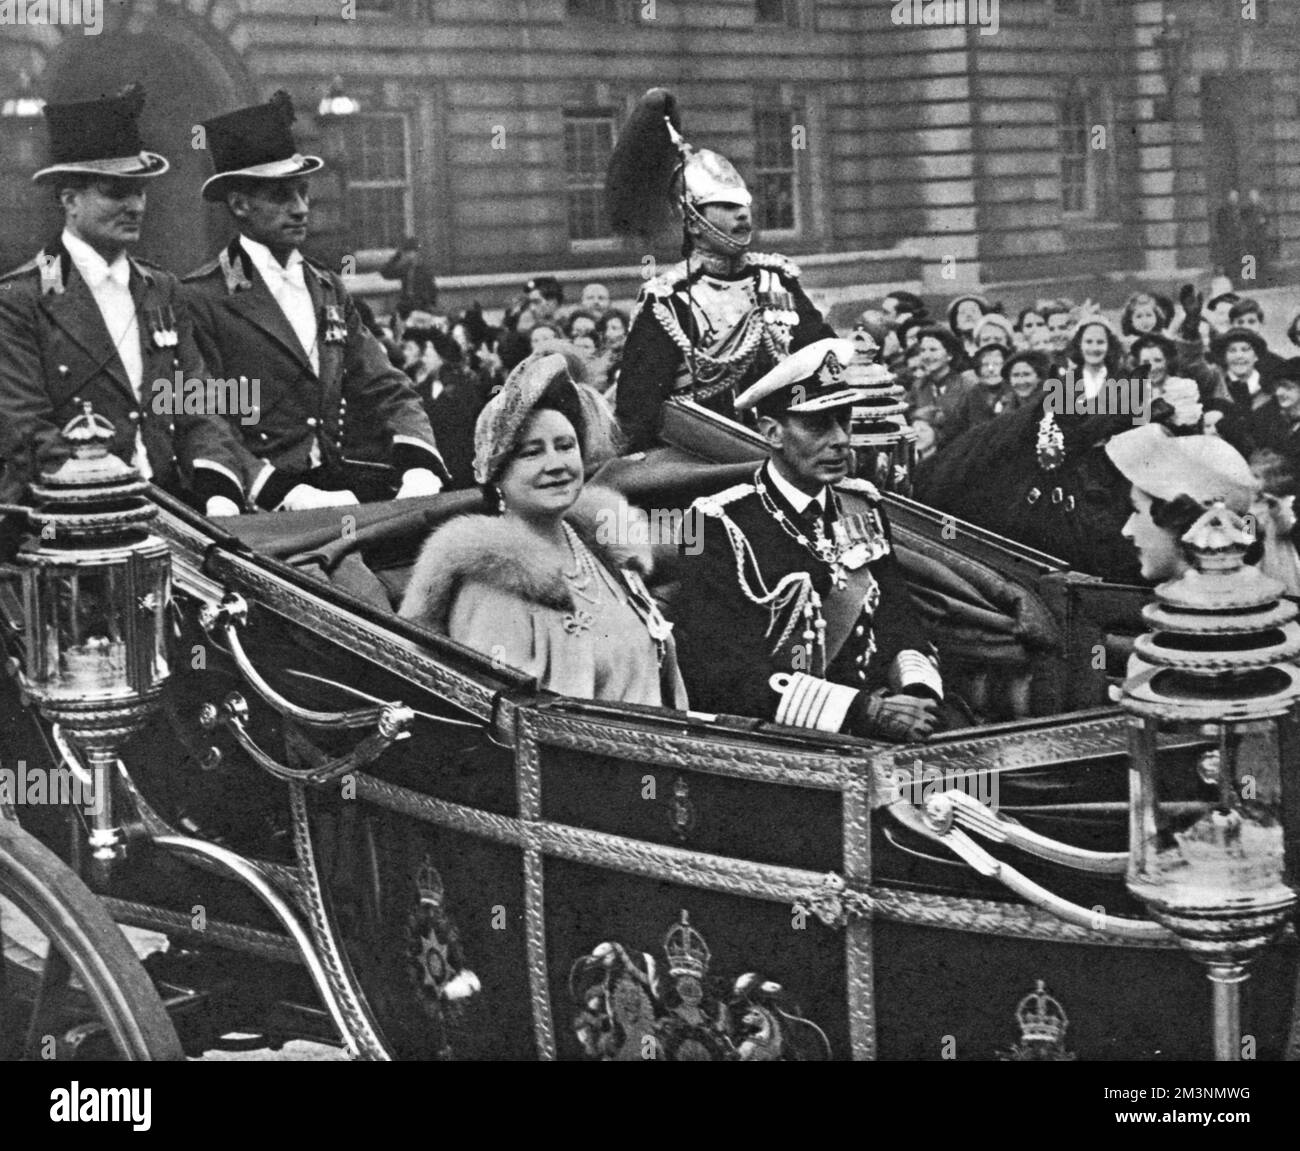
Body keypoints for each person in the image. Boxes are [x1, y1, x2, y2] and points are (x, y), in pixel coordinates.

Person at [181, 92, 447, 510]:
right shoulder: (203, 297)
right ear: (239, 204)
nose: (301, 209)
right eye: (282, 197)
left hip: (336, 488)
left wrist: (417, 462)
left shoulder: (327, 288)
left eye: (303, 193)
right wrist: (274, 491)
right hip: (260, 505)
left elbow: (383, 383)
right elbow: (205, 418)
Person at [669, 338, 942, 741]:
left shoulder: (862, 505)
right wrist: (863, 711)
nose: (841, 440)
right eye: (818, 425)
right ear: (772, 433)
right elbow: (719, 668)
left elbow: (897, 618)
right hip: (781, 742)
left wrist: (916, 694)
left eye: (843, 420)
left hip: (880, 726)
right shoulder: (717, 523)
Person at [0, 83, 249, 516]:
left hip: (174, 508)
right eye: (116, 192)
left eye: (140, 191)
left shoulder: (162, 289)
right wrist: (115, 495)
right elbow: (26, 431)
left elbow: (197, 400)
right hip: (63, 515)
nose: (135, 205)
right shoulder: (20, 299)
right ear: (70, 200)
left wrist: (217, 488)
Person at [399, 353, 687, 709]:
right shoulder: (489, 584)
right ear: (498, 476)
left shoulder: (600, 548)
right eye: (532, 453)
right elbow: (506, 729)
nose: (556, 465)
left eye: (566, 446)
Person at [608, 88, 835, 450]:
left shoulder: (779, 281)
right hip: (706, 463)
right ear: (694, 221)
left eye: (744, 204)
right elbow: (639, 413)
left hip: (789, 452)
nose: (743, 214)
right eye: (726, 206)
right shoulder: (668, 301)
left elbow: (826, 361)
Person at [904, 325, 975, 458]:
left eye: (933, 350)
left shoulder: (966, 387)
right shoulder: (918, 387)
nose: (927, 355)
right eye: (923, 350)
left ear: (949, 354)